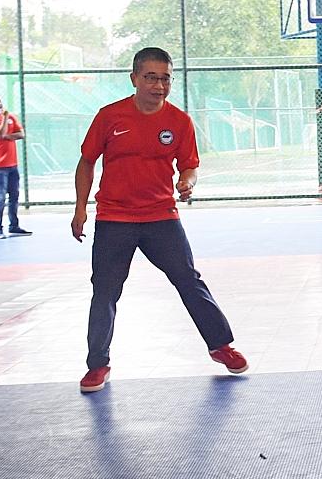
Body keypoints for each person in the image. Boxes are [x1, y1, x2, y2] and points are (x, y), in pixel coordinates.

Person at [72, 47, 248, 394]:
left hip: (161, 217)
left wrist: (187, 182)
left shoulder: (179, 121)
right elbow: (87, 161)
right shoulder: (110, 116)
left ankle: (220, 345)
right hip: (114, 218)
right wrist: (80, 208)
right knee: (105, 291)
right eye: (151, 77)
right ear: (134, 78)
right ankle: (98, 364)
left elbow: (190, 165)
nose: (158, 85)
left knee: (188, 280)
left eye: (165, 78)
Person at [0, 92, 32, 238]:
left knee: (14, 195)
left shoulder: (12, 117)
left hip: (12, 163)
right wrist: (5, 119)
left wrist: (8, 136)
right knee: (0, 196)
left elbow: (21, 134)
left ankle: (14, 226)